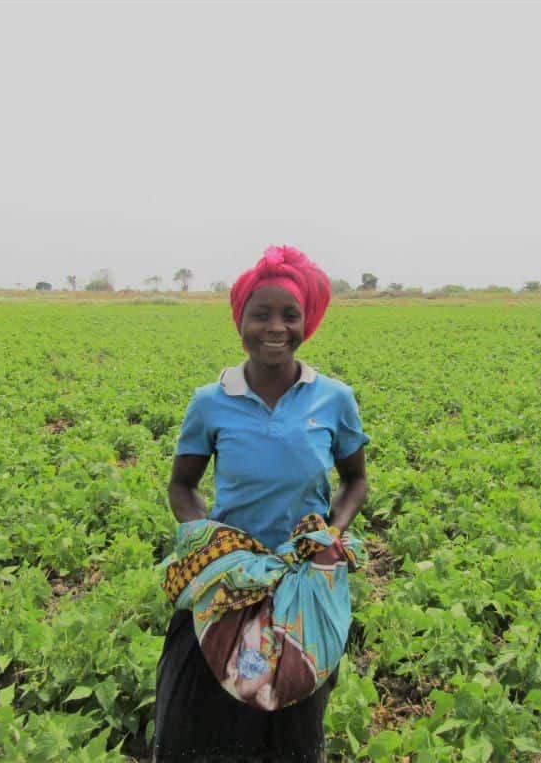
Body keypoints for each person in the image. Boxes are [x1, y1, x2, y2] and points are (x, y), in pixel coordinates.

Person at [153, 245, 370, 763]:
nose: (275, 327)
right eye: (261, 314)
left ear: (305, 324)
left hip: (301, 582)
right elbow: (182, 486)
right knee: (195, 715)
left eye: (289, 315)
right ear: (241, 322)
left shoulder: (333, 399)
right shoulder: (211, 401)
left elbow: (355, 480)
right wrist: (212, 543)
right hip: (229, 582)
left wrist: (332, 537)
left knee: (292, 720)